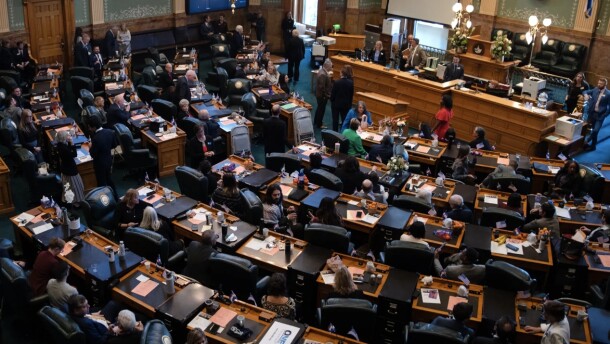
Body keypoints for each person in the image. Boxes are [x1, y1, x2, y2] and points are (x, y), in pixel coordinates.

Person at [88, 115, 119, 197]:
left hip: (99, 164)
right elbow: (114, 145)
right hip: (108, 160)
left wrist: (90, 146)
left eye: (90, 127)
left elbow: (93, 154)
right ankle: (115, 196)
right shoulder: (110, 132)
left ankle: (105, 201)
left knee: (101, 183)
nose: (89, 129)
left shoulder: (95, 138)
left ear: (93, 127)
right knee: (109, 179)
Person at [56, 130, 85, 205]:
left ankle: (71, 200)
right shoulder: (64, 149)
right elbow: (74, 154)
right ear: (63, 137)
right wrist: (72, 143)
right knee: (76, 187)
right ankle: (76, 202)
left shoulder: (60, 145)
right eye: (67, 136)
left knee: (68, 187)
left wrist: (69, 143)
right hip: (70, 170)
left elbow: (68, 150)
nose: (69, 137)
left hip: (65, 168)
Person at [583, 78, 610, 151]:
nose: (599, 85)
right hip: (592, 113)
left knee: (595, 130)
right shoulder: (595, 89)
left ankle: (587, 140)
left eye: (601, 84)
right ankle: (593, 146)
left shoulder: (608, 93)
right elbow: (585, 91)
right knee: (586, 128)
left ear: (605, 85)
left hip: (600, 115)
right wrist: (586, 95)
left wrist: (605, 115)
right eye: (598, 83)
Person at [330, 65, 354, 131]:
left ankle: (334, 133)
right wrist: (349, 105)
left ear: (342, 73)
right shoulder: (351, 83)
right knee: (344, 120)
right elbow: (351, 95)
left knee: (335, 120)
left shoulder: (336, 82)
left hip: (336, 105)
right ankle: (343, 133)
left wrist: (332, 100)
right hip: (346, 105)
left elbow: (333, 95)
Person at [314, 58, 333, 128]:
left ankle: (316, 121)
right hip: (322, 96)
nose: (331, 67)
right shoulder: (323, 74)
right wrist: (326, 95)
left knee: (319, 108)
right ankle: (319, 124)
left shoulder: (322, 71)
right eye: (331, 66)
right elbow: (322, 87)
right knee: (321, 110)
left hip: (320, 95)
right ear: (327, 66)